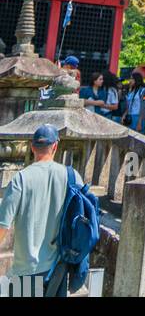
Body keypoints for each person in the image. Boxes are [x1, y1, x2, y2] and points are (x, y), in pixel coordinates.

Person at [0, 125, 84, 295]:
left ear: (32, 148)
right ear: (55, 146)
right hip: (58, 268)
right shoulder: (72, 177)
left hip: (25, 271)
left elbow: (3, 226)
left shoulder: (20, 180)